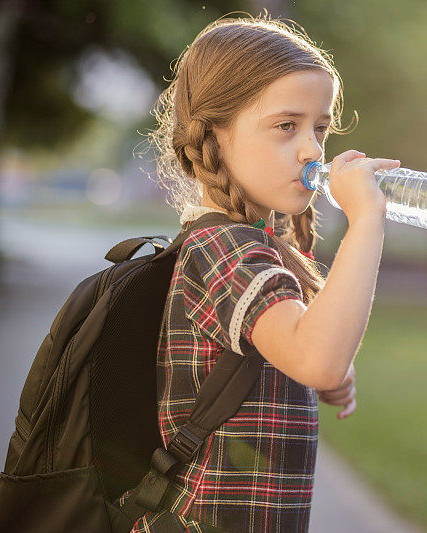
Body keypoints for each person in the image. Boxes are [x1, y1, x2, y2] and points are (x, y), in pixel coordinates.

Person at [114, 14, 401, 532]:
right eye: (286, 126)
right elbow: (318, 359)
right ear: (215, 136)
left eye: (320, 127)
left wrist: (313, 369)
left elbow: (301, 350)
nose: (313, 148)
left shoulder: (244, 246)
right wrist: (366, 223)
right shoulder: (224, 248)